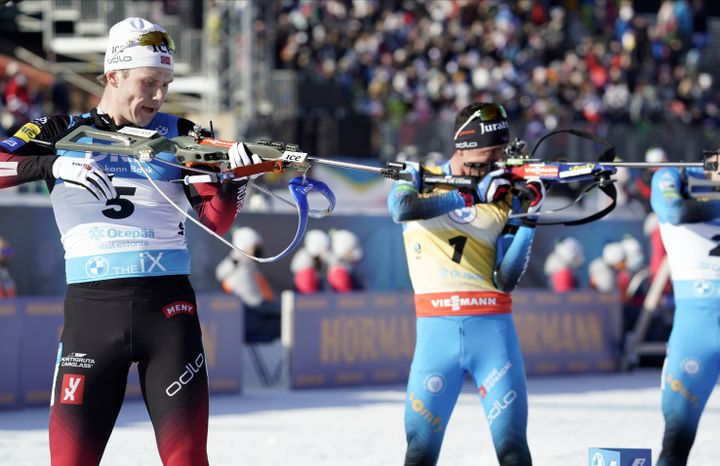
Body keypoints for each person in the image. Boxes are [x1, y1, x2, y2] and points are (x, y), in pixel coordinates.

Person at [0, 17, 262, 465]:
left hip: (169, 314)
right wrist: (48, 166)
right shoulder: (60, 129)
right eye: (148, 82)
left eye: (166, 83)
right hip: (91, 314)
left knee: (187, 459)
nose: (158, 95)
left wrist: (232, 184)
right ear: (113, 75)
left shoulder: (180, 133)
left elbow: (215, 221)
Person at [388, 102, 544, 465]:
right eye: (489, 153)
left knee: (513, 451)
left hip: (493, 334)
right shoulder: (418, 174)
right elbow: (401, 210)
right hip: (435, 334)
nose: (495, 161)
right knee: (419, 453)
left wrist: (528, 217)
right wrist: (467, 195)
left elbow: (506, 279)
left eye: (501, 154)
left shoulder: (504, 193)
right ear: (464, 144)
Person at [650, 159, 720, 466]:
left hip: (697, 323)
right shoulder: (672, 176)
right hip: (696, 329)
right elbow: (674, 212)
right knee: (675, 445)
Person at [216, 227, 280, 342]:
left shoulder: (247, 267)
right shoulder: (240, 271)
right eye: (255, 247)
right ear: (244, 248)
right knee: (290, 324)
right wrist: (284, 309)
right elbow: (256, 305)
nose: (259, 251)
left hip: (253, 320)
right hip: (249, 323)